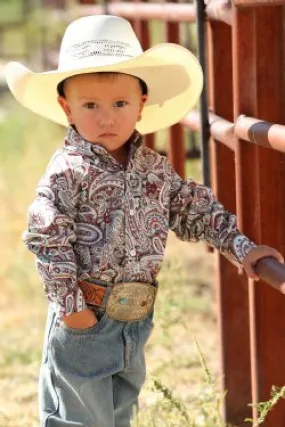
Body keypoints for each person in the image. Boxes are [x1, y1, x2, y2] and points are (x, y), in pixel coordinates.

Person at [5, 14, 283, 427]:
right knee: (78, 419)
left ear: (142, 103)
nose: (107, 118)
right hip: (84, 315)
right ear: (67, 108)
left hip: (134, 321)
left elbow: (194, 209)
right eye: (90, 106)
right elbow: (47, 239)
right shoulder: (67, 171)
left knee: (119, 414)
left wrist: (240, 246)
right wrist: (71, 309)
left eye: (120, 103)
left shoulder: (154, 169)